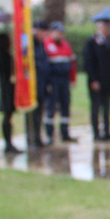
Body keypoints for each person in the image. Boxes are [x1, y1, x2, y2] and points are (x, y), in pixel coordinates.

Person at [83, 17, 110, 142]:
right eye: (104, 26)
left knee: (107, 107)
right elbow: (88, 62)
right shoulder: (91, 42)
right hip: (96, 80)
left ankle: (107, 131)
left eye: (108, 26)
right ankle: (96, 132)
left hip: (108, 81)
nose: (107, 29)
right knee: (96, 107)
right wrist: (93, 80)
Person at [43, 21, 77, 143]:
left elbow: (72, 63)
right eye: (58, 32)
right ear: (52, 32)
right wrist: (47, 83)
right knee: (51, 107)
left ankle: (65, 133)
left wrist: (73, 79)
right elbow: (45, 67)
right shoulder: (47, 44)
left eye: (62, 32)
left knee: (65, 106)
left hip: (65, 80)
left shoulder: (66, 45)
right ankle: (49, 134)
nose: (60, 34)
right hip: (53, 80)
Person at [0, 31, 22, 155]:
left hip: (7, 90)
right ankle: (8, 144)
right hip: (7, 90)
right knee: (7, 117)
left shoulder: (0, 56)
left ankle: (9, 143)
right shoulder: (4, 57)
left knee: (8, 117)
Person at [28, 21, 49, 150]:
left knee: (40, 112)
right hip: (33, 85)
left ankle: (38, 137)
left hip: (41, 84)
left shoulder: (41, 44)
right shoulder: (31, 45)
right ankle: (32, 139)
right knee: (32, 113)